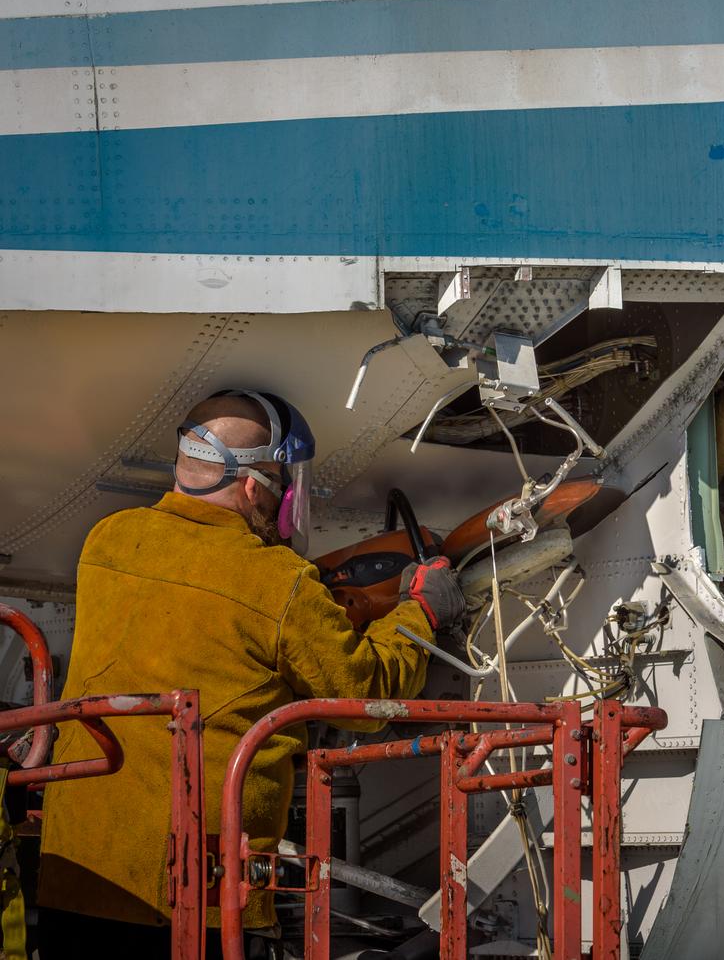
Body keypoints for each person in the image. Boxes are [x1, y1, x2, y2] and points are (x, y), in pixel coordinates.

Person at [36, 390, 464, 957]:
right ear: (254, 484)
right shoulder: (276, 581)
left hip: (78, 882)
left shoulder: (107, 542)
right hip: (198, 903)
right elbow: (365, 692)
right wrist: (420, 611)